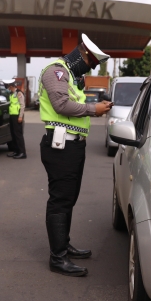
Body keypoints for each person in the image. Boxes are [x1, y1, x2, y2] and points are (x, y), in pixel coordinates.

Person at [38, 33, 113, 277]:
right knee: (60, 200)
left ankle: (63, 245)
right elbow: (60, 105)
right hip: (61, 146)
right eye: (90, 63)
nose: (90, 67)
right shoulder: (56, 71)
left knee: (68, 199)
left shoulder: (70, 75)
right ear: (82, 54)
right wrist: (94, 109)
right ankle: (57, 258)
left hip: (73, 145)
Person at [3, 80, 27, 159]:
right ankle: (16, 151)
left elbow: (22, 106)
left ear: (12, 86)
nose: (8, 89)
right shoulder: (11, 94)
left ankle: (22, 152)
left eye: (9, 87)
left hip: (17, 116)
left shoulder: (19, 93)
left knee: (18, 134)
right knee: (13, 134)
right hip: (12, 115)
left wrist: (20, 116)